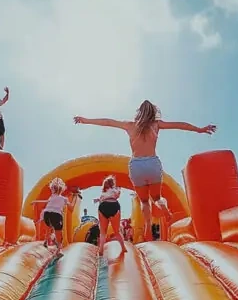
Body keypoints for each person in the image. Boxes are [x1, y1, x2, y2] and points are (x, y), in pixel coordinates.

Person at [74, 100, 216, 241]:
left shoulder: (129, 125)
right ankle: (164, 209)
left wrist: (85, 120)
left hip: (136, 166)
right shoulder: (156, 125)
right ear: (153, 112)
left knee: (144, 201)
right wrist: (200, 129)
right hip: (152, 164)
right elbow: (180, 125)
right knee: (157, 197)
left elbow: (108, 122)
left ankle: (148, 225)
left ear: (139, 112)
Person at [40, 177, 77, 255]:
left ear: (52, 189)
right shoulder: (64, 199)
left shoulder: (51, 197)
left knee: (49, 228)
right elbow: (71, 208)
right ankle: (59, 249)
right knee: (58, 232)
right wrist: (75, 198)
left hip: (46, 214)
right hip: (56, 214)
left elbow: (48, 205)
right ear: (62, 190)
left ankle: (46, 241)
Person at [94, 175, 127, 257]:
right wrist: (119, 189)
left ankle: (101, 249)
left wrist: (98, 200)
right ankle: (123, 247)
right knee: (117, 231)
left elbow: (102, 199)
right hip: (113, 205)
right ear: (113, 184)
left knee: (103, 232)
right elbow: (117, 195)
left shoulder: (103, 193)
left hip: (103, 206)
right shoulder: (115, 190)